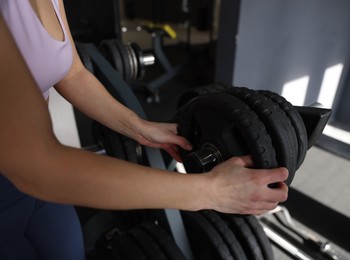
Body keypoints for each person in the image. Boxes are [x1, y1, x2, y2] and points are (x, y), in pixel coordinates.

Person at [0, 0, 289, 259]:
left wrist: (140, 128)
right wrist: (213, 192)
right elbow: (39, 166)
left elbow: (72, 73)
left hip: (40, 191)